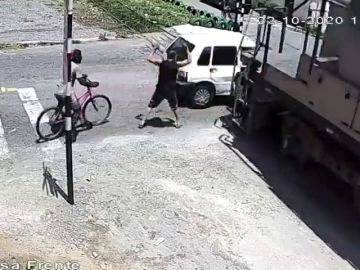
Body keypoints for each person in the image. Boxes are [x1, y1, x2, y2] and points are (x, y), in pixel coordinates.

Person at [139, 43, 192, 129]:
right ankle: (177, 122)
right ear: (175, 57)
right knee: (174, 107)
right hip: (171, 90)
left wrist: (154, 50)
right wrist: (187, 49)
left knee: (151, 106)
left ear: (168, 56)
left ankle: (142, 121)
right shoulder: (176, 65)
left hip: (160, 89)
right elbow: (189, 61)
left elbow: (149, 58)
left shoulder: (162, 63)